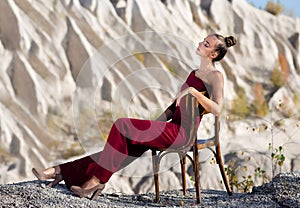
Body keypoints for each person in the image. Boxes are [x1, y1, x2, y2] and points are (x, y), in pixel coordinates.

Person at [32, 34, 236, 200]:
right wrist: (154, 124)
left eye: (206, 44)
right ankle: (61, 171)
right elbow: (174, 107)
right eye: (203, 40)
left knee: (121, 125)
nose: (200, 43)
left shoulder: (215, 77)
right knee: (120, 148)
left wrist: (193, 92)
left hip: (183, 134)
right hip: (170, 128)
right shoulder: (193, 74)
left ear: (214, 53)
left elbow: (217, 109)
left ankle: (93, 181)